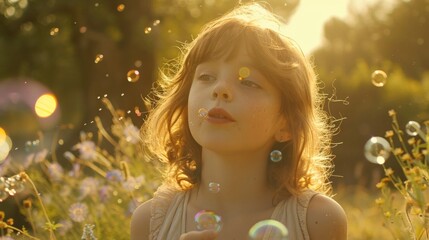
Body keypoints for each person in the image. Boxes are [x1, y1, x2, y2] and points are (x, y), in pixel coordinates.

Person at [131, 2, 347, 240]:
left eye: (249, 82)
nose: (220, 89)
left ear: (285, 124)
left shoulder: (317, 221)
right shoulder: (149, 222)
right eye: (206, 76)